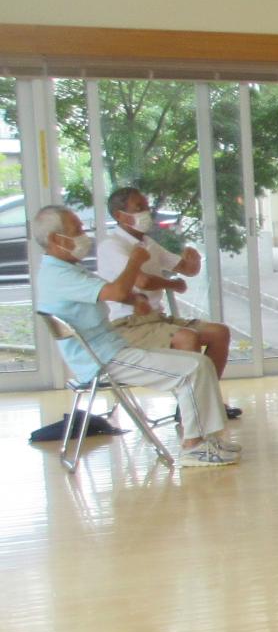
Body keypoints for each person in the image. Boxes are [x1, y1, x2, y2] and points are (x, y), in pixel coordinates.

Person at [31, 205, 239, 467]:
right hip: (102, 359)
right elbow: (116, 292)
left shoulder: (65, 269)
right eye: (77, 230)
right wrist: (135, 261)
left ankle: (207, 438)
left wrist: (133, 299)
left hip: (110, 349)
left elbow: (105, 293)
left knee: (200, 363)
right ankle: (193, 446)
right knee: (192, 368)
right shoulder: (59, 274)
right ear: (55, 239)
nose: (84, 235)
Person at [95, 186, 234, 383]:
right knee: (187, 338)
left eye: (146, 206)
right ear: (120, 215)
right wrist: (172, 284)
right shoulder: (112, 245)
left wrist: (192, 261)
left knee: (219, 333)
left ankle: (206, 398)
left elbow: (185, 269)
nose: (146, 212)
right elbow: (142, 281)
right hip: (127, 324)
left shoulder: (148, 242)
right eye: (139, 207)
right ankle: (192, 406)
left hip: (155, 319)